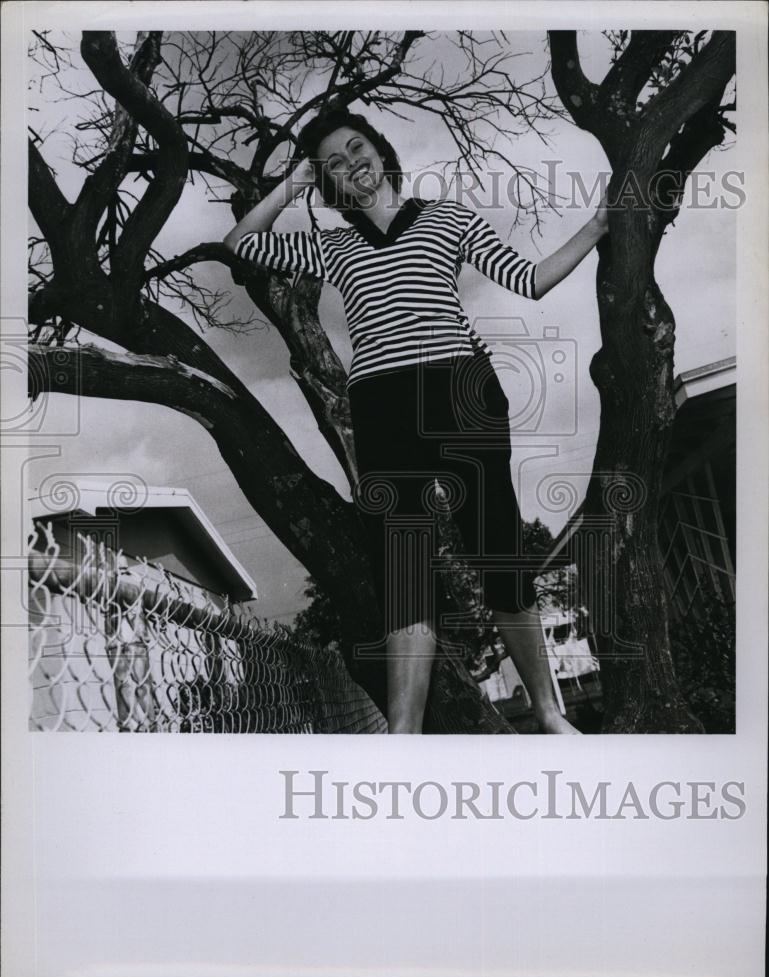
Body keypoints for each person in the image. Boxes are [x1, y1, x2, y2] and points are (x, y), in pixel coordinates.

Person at [223, 109, 609, 734]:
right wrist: (293, 183)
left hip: (461, 391)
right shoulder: (330, 245)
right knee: (404, 569)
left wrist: (596, 225)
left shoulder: (448, 218)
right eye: (334, 164)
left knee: (498, 551)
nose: (353, 164)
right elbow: (241, 243)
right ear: (328, 183)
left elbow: (530, 278)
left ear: (381, 149)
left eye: (358, 147)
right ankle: (402, 738)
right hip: (382, 403)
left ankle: (546, 712)